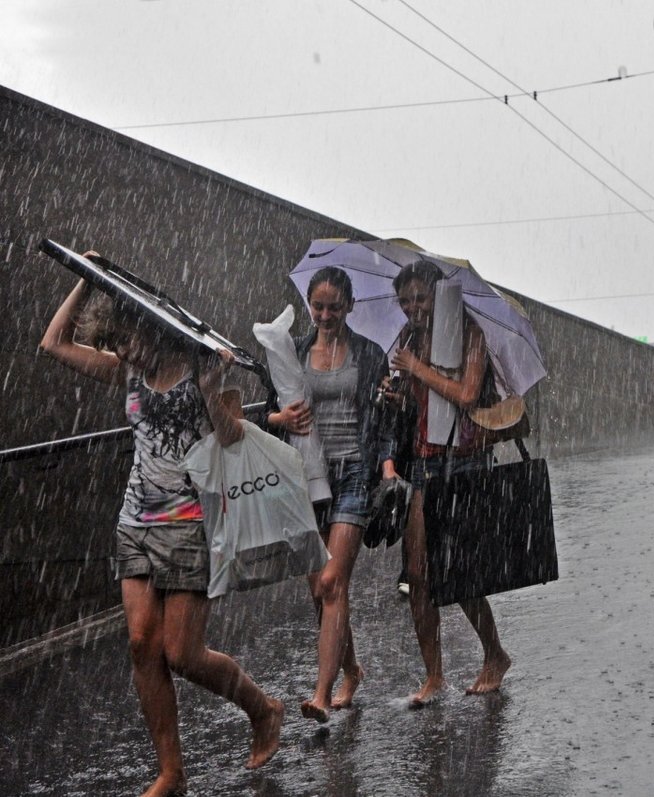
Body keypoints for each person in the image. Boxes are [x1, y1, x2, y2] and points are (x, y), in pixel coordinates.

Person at [39, 271, 283, 797]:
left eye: (126, 338)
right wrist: (86, 276)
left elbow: (235, 439)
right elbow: (53, 343)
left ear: (150, 326)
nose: (123, 351)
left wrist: (214, 393)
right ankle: (171, 772)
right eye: (113, 344)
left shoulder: (201, 365)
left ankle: (262, 709)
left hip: (191, 524)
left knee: (183, 654)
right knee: (140, 645)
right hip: (136, 522)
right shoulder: (126, 372)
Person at [265, 266, 394, 723]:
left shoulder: (369, 354)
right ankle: (352, 668)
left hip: (354, 472)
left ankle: (321, 694)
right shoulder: (293, 351)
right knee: (319, 592)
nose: (324, 315)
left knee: (332, 581)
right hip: (308, 478)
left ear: (349, 307)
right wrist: (282, 420)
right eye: (317, 307)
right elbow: (267, 411)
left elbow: (383, 421)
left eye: (333, 307)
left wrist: (387, 465)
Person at [385, 260, 510, 707]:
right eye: (405, 300)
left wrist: (416, 368)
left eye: (420, 297)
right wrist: (397, 391)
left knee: (461, 575)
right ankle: (433, 676)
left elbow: (466, 394)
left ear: (438, 296)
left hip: (463, 462)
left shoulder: (468, 332)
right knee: (418, 575)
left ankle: (495, 655)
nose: (413, 307)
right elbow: (418, 397)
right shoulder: (408, 339)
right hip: (423, 462)